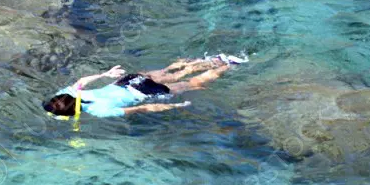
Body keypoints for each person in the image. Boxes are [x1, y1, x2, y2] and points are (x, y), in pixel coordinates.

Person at [43, 54, 248, 119]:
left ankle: (230, 64)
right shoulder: (65, 93)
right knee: (172, 72)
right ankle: (210, 60)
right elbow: (82, 82)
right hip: (128, 80)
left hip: (142, 92)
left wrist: (175, 106)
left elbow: (144, 108)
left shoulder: (100, 111)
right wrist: (106, 74)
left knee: (193, 84)